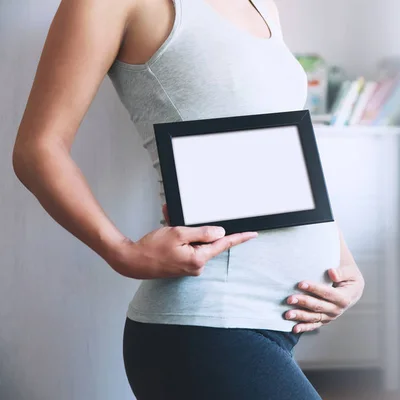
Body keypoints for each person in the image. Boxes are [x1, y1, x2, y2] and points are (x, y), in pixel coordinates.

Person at [12, 0, 365, 398]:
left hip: (275, 325)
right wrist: (120, 251)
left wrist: (343, 262)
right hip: (205, 327)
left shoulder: (261, 4)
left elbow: (287, 156)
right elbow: (37, 149)